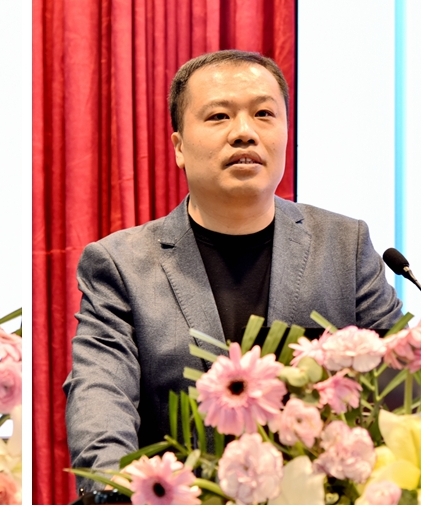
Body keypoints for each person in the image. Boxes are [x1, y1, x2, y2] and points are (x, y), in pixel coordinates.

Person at [62, 50, 402, 493]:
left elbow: (402, 390)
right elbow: (100, 399)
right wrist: (117, 492)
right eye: (219, 116)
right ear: (179, 147)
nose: (244, 132)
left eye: (264, 114)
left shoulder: (345, 246)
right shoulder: (120, 264)